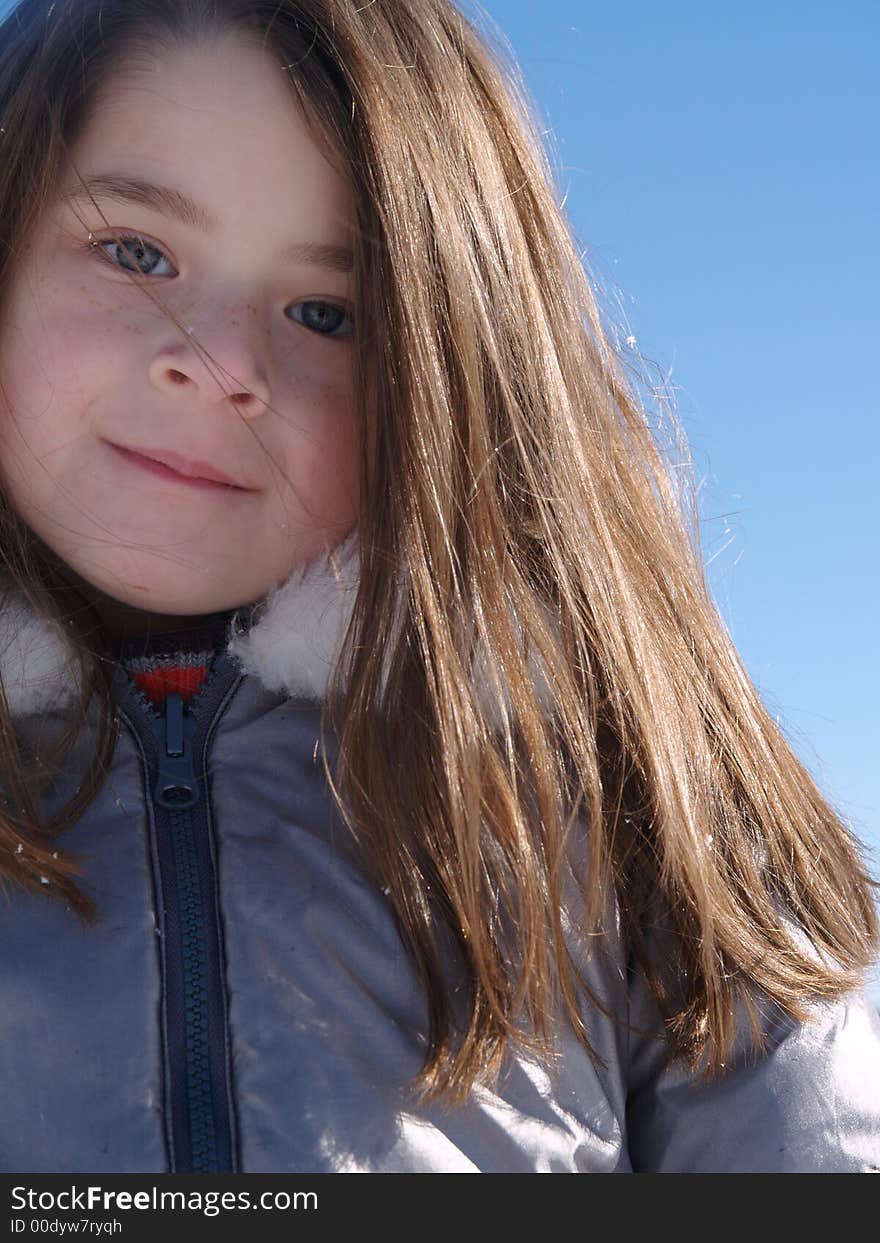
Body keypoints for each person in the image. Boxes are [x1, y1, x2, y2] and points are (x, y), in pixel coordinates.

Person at [0, 0, 877, 1175]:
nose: (217, 363)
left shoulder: (621, 801)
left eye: (326, 313)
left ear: (455, 369)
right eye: (137, 252)